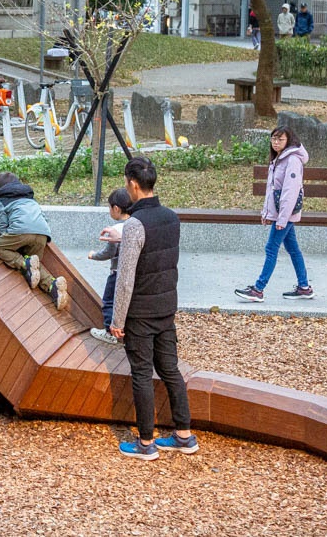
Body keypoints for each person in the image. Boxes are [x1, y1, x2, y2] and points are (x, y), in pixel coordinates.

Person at [101, 157, 199, 460]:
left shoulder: (134, 225)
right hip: (166, 305)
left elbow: (126, 277)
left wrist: (117, 320)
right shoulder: (172, 217)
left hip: (140, 311)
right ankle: (184, 435)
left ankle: (146, 443)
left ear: (132, 184)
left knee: (142, 373)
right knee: (170, 369)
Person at [235, 126, 314, 302]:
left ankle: (258, 289)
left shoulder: (292, 160)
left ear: (289, 141)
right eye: (274, 139)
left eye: (280, 139)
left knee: (271, 248)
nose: (276, 143)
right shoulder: (279, 158)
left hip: (285, 215)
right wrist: (266, 213)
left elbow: (289, 192)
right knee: (293, 249)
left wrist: (282, 219)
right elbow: (272, 190)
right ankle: (304, 287)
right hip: (281, 214)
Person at [0, 172, 70, 311]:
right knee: (35, 265)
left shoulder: (1, 200)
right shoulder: (30, 198)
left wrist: (6, 239)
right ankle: (53, 286)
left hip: (20, 231)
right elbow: (43, 217)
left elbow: (2, 224)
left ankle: (23, 263)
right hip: (42, 233)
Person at [88, 188, 132, 345]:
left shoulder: (116, 230)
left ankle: (109, 331)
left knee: (109, 301)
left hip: (117, 273)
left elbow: (109, 252)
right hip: (132, 273)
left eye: (109, 207)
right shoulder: (136, 225)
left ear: (116, 209)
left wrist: (93, 255)